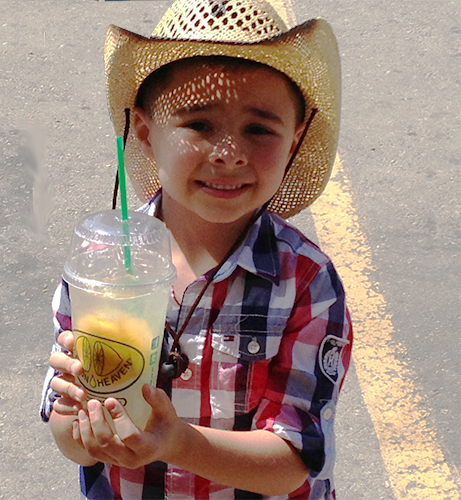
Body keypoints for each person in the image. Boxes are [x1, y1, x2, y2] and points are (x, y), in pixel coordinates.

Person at [40, 0, 353, 498]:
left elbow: (294, 458)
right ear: (144, 133)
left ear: (294, 141)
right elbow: (72, 441)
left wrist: (177, 443)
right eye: (199, 125)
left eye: (259, 129)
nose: (229, 153)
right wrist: (75, 417)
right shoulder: (101, 266)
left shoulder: (304, 281)